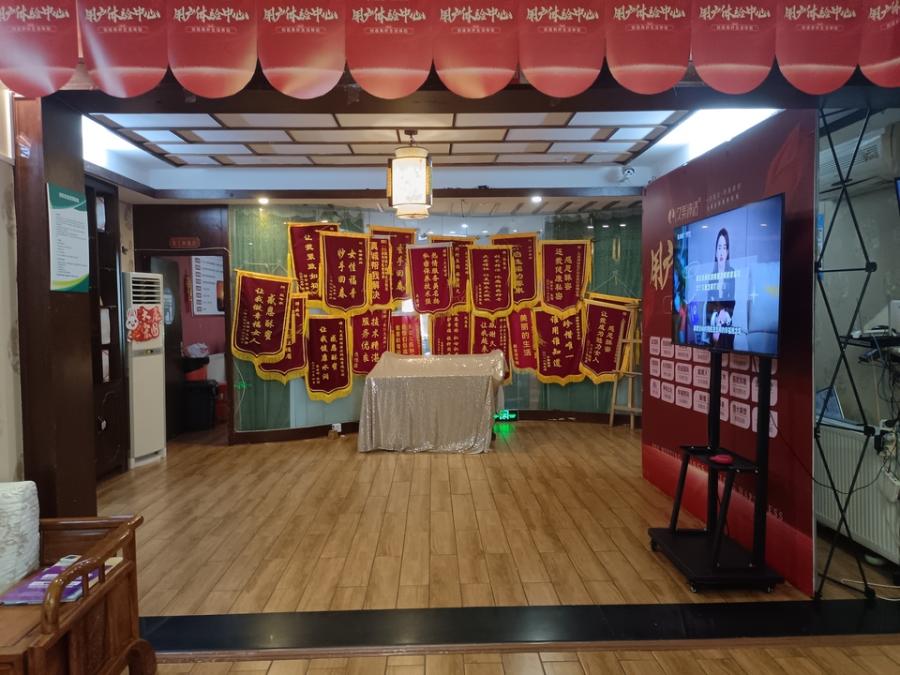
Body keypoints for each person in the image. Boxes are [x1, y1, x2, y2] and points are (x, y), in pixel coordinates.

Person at [706, 228, 736, 349]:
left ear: (727, 252)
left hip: (726, 320)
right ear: (716, 252)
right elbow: (709, 305)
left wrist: (723, 314)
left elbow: (732, 302)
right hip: (714, 320)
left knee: (723, 332)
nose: (722, 252)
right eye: (719, 248)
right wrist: (716, 317)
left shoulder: (732, 273)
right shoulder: (711, 276)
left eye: (724, 248)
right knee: (715, 332)